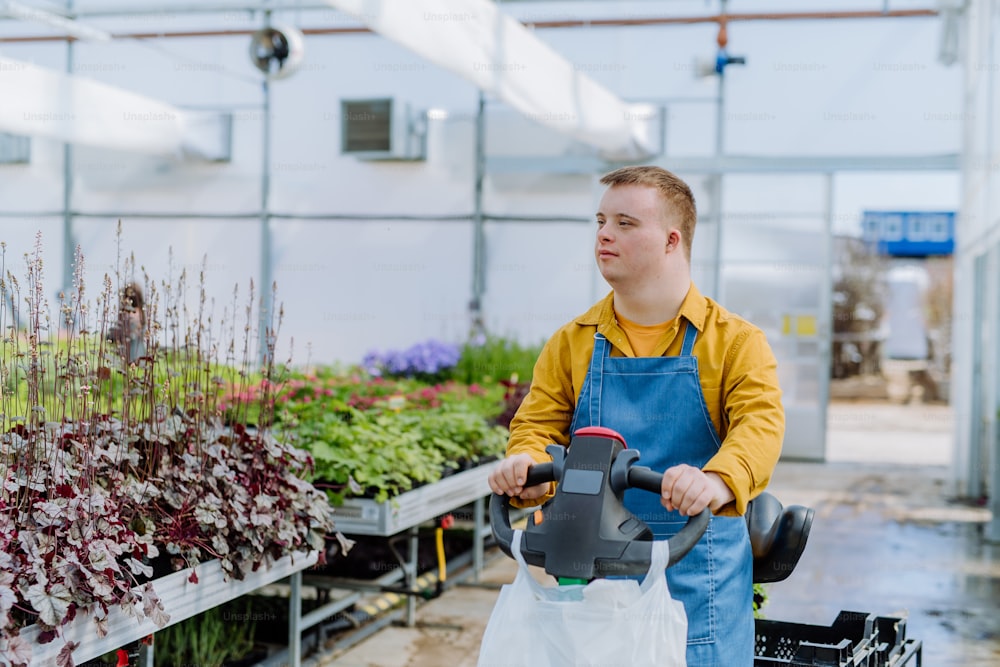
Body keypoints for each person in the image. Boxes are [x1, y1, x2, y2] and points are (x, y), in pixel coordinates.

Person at [487, 165, 784, 666]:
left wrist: (715, 480)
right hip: (590, 569)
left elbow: (760, 424)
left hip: (695, 572)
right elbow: (538, 425)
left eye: (625, 223)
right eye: (601, 221)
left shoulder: (734, 342)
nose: (604, 234)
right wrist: (527, 465)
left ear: (672, 241)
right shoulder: (573, 341)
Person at [108, 281, 146, 364]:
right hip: (140, 356)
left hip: (128, 357)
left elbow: (117, 334)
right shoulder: (141, 314)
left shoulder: (126, 315)